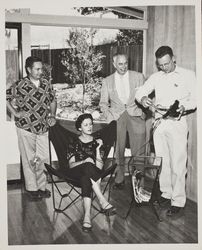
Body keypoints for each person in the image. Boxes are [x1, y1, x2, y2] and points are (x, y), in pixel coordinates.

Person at [135, 46, 196, 216]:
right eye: (161, 65)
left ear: (173, 58)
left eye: (167, 64)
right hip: (159, 124)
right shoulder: (156, 77)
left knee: (177, 163)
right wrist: (144, 98)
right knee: (162, 162)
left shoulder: (188, 75)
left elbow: (196, 98)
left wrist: (185, 106)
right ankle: (166, 193)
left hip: (177, 123)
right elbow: (140, 91)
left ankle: (178, 200)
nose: (164, 68)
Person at [6, 56, 57, 200]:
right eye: (37, 69)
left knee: (43, 158)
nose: (41, 71)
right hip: (25, 127)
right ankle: (32, 189)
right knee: (29, 159)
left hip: (42, 128)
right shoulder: (20, 84)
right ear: (29, 69)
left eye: (41, 69)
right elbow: (5, 97)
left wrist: (52, 115)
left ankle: (41, 186)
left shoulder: (46, 84)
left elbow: (53, 100)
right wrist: (15, 113)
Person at [99, 53, 146, 189]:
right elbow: (103, 103)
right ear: (114, 64)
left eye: (125, 63)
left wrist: (143, 113)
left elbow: (146, 97)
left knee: (139, 151)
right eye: (120, 64)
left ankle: (139, 182)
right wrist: (109, 116)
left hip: (135, 115)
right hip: (117, 117)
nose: (123, 66)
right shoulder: (107, 81)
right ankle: (119, 178)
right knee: (118, 150)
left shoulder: (138, 77)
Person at [66, 113, 116, 233]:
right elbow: (71, 165)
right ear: (79, 128)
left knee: (86, 178)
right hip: (75, 172)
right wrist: (84, 161)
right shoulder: (74, 142)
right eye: (86, 125)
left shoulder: (97, 142)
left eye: (91, 124)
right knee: (88, 165)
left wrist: (98, 149)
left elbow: (99, 167)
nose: (89, 127)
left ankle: (87, 217)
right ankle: (102, 200)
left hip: (92, 175)